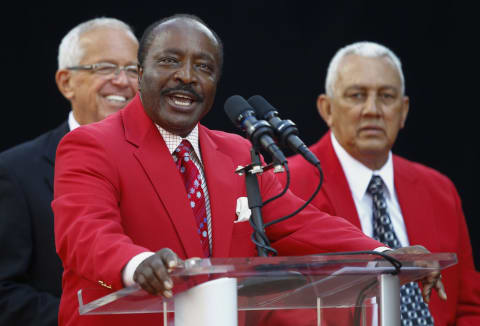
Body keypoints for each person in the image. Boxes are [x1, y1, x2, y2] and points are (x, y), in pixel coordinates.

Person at [52, 16, 444, 326]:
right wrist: (136, 264)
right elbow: (85, 233)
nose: (187, 76)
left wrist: (386, 254)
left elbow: (300, 223)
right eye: (170, 60)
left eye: (203, 67)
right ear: (140, 75)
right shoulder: (92, 144)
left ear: (216, 83)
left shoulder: (237, 151)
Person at [283, 41, 480, 325]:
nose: (372, 109)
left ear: (403, 111)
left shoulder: (439, 190)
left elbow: (469, 307)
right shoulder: (286, 184)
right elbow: (276, 306)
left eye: (386, 96)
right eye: (356, 95)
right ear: (326, 108)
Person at [0, 17, 139, 326]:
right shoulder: (15, 172)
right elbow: (5, 292)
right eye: (104, 67)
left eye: (133, 70)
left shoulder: (164, 163)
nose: (123, 81)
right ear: (66, 82)